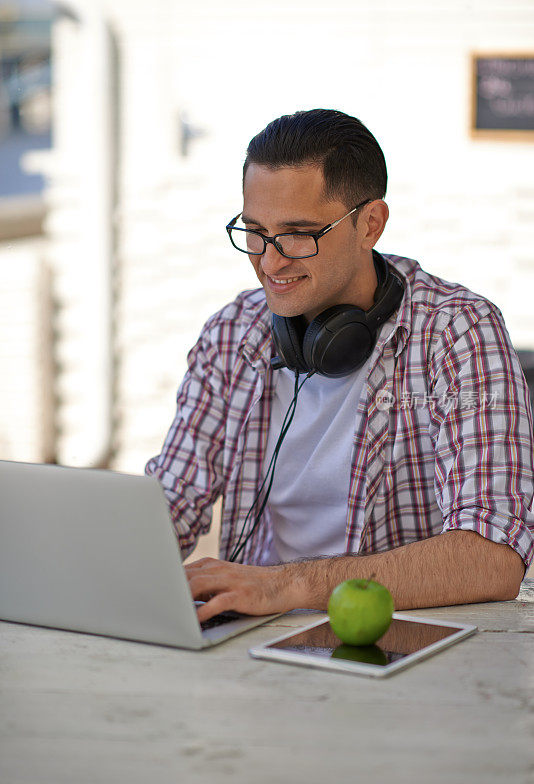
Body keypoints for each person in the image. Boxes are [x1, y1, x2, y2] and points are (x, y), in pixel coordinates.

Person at [146, 109, 534, 623]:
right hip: (257, 632)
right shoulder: (232, 332)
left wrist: (288, 584)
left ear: (369, 224)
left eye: (298, 234)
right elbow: (172, 500)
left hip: (408, 636)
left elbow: (493, 557)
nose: (269, 261)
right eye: (255, 231)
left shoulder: (458, 331)